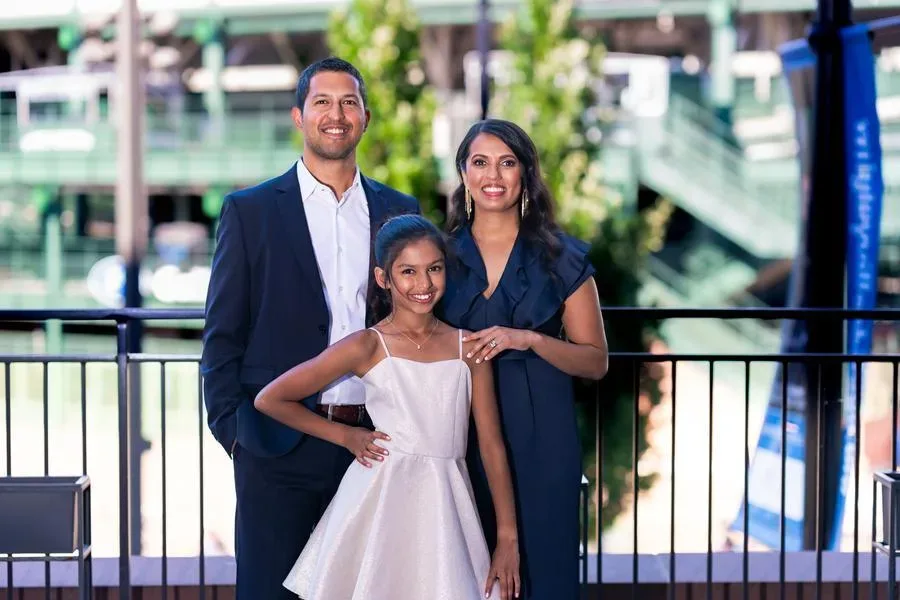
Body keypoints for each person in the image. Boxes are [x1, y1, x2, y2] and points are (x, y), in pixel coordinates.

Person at [200, 57, 419, 600]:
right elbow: (222, 337)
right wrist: (236, 434)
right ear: (299, 116)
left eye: (348, 102)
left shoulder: (400, 211)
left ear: (365, 118)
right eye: (322, 102)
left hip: (375, 443)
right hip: (276, 449)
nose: (335, 114)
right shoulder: (249, 212)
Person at [254, 214, 521, 600]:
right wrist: (346, 435)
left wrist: (507, 537)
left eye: (434, 269)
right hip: (379, 502)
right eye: (408, 271)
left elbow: (492, 445)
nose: (424, 284)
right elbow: (271, 398)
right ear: (384, 279)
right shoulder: (367, 345)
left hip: (447, 506)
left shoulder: (469, 347)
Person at [439, 119, 609, 599]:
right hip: (459, 443)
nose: (494, 175)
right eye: (480, 162)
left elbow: (595, 362)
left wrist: (529, 340)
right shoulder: (438, 260)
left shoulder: (562, 259)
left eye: (507, 162)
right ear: (464, 173)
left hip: (544, 446)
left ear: (526, 174)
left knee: (544, 578)